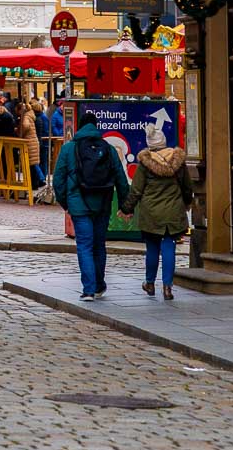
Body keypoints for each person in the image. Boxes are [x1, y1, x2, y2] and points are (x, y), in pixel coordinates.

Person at [53, 110, 131, 300]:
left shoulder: (69, 149)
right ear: (96, 127)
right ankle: (98, 285)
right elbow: (121, 178)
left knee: (85, 246)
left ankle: (88, 289)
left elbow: (58, 180)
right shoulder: (108, 148)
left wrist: (66, 203)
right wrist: (125, 205)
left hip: (79, 204)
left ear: (79, 126)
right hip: (103, 203)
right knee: (99, 245)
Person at [125, 125, 193, 300]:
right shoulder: (178, 161)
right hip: (173, 211)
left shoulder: (145, 164)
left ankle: (149, 283)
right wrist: (186, 203)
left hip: (151, 212)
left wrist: (126, 208)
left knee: (152, 248)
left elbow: (136, 190)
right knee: (169, 246)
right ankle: (168, 287)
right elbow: (187, 188)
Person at [17, 98, 45, 189]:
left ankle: (33, 184)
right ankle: (35, 183)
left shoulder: (26, 116)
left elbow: (25, 126)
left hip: (29, 142)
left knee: (31, 165)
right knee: (33, 164)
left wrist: (20, 132)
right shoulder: (31, 115)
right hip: (33, 141)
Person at [34, 98, 51, 180]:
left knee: (43, 160)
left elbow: (46, 130)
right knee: (43, 160)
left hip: (43, 141)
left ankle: (42, 177)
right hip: (44, 141)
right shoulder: (43, 116)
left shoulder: (41, 118)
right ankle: (43, 176)